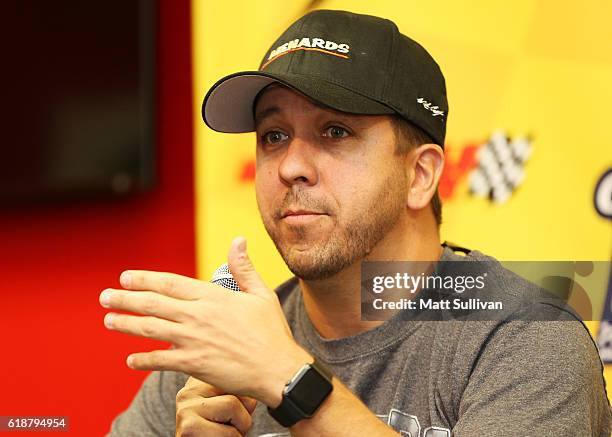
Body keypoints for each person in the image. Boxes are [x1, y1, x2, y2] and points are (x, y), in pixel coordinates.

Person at [101, 9, 611, 437]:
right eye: (273, 135)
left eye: (336, 130)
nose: (290, 166)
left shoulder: (522, 338)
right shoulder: (224, 351)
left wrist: (294, 382)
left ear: (420, 174)